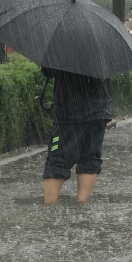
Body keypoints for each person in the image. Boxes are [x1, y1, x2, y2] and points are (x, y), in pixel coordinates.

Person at [41, 68, 113, 204]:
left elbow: (48, 71)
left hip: (68, 111)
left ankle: (49, 208)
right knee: (89, 158)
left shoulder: (62, 47)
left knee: (57, 159)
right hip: (98, 109)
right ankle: (81, 205)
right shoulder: (104, 48)